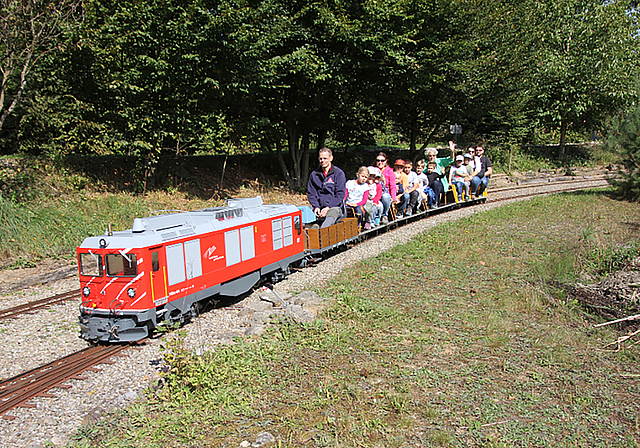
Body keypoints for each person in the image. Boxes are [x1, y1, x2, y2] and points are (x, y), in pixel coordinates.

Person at [307, 147, 347, 228]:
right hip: (319, 207)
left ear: (331, 158)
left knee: (332, 212)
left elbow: (340, 195)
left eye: (325, 158)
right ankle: (312, 231)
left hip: (334, 207)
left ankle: (322, 233)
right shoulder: (314, 174)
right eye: (320, 158)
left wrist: (328, 208)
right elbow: (311, 194)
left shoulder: (339, 174)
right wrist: (316, 207)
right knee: (305, 212)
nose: (322, 161)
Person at [374, 152, 395, 225]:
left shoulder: (389, 171)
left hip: (385, 191)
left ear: (386, 161)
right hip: (374, 190)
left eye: (382, 160)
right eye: (378, 160)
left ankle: (385, 215)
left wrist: (393, 197)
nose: (380, 162)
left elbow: (393, 185)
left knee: (385, 197)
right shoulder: (373, 170)